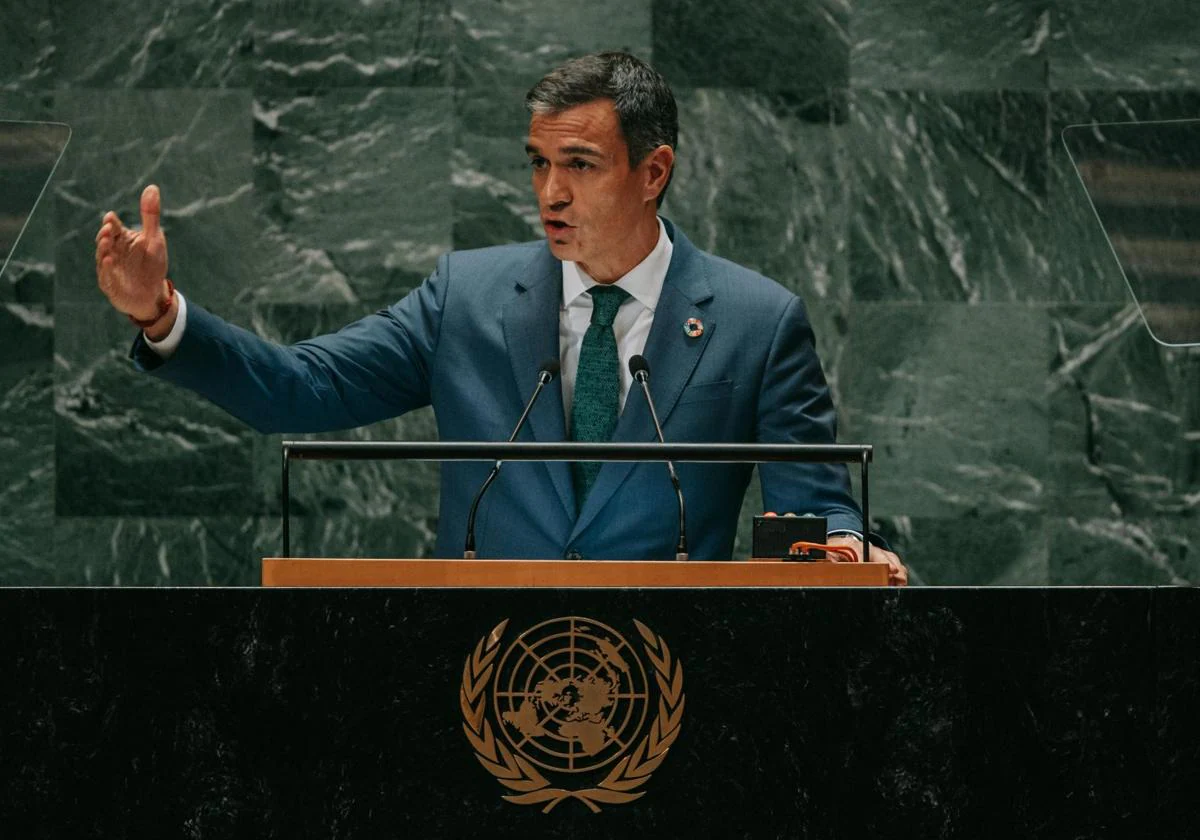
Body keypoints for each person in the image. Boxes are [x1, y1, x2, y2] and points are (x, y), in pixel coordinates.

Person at [94, 52, 907, 585]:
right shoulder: (467, 299)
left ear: (653, 171)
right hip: (477, 676)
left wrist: (841, 546)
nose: (550, 192)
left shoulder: (758, 322)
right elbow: (299, 391)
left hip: (674, 682)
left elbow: (816, 504)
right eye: (539, 163)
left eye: (580, 166)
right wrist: (163, 314)